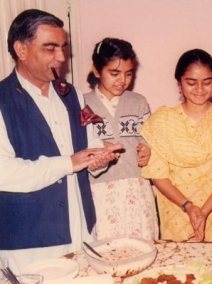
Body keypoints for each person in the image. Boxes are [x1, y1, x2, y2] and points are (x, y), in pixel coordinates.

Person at [0, 9, 123, 272]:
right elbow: (4, 173)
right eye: (50, 48)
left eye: (63, 48)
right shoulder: (2, 100)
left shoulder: (72, 95)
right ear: (21, 50)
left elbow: (86, 147)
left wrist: (100, 157)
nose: (61, 57)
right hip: (30, 243)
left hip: (81, 232)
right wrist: (69, 163)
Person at [141, 49, 212, 242]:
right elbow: (158, 174)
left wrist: (204, 211)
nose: (200, 89)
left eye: (207, 82)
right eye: (191, 82)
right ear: (180, 83)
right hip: (178, 210)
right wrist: (189, 206)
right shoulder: (162, 122)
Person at [84, 38, 158, 240]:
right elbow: (80, 150)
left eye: (128, 73)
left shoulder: (138, 102)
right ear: (97, 71)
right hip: (99, 192)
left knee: (141, 244)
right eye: (114, 73)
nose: (122, 80)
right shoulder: (82, 104)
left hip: (136, 187)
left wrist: (147, 149)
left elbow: (148, 139)